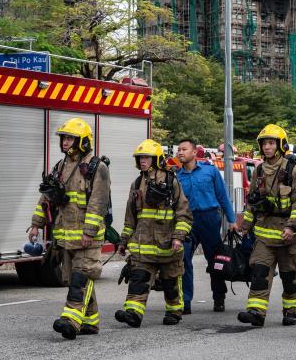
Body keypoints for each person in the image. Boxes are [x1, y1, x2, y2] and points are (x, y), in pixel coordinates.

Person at [29, 118, 110, 340]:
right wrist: (36, 225)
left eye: (70, 138)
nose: (65, 142)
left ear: (82, 141)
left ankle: (71, 320)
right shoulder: (59, 167)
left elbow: (98, 203)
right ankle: (90, 322)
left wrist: (89, 232)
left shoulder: (97, 167)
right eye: (63, 138)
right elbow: (46, 199)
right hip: (66, 236)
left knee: (81, 277)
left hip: (87, 237)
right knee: (77, 278)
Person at [115, 139, 193, 327]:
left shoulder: (171, 182)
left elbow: (183, 213)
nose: (142, 161)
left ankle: (174, 311)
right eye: (140, 157)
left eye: (146, 157)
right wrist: (123, 241)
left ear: (156, 159)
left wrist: (178, 237)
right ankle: (133, 313)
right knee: (138, 279)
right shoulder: (136, 184)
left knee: (170, 283)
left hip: (168, 246)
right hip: (143, 247)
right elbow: (130, 218)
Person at [237, 124, 296, 327]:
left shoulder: (293, 171)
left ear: (281, 145)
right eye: (264, 144)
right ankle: (256, 312)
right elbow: (252, 202)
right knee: (259, 273)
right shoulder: (258, 170)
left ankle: (291, 310)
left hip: (287, 235)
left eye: (271, 143)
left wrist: (291, 227)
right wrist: (245, 225)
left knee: (288, 276)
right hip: (264, 235)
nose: (267, 147)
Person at [177, 138, 237, 314]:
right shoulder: (176, 176)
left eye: (184, 149)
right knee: (183, 258)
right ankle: (185, 301)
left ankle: (219, 297)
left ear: (194, 152)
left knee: (215, 260)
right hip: (187, 220)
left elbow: (223, 196)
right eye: (179, 150)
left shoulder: (210, 171)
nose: (180, 152)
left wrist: (232, 221)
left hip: (209, 218)